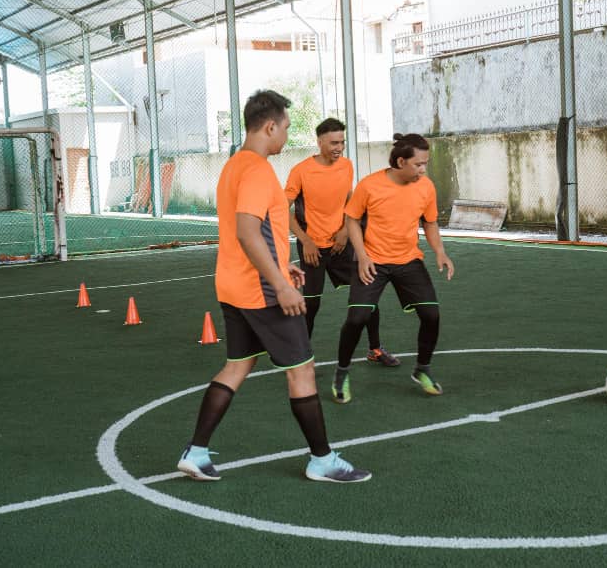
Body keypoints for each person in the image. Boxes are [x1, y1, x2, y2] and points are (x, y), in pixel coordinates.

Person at [177, 90, 370, 483]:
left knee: (237, 365)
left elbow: (252, 232)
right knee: (303, 371)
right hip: (260, 292)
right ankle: (322, 460)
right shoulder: (257, 171)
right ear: (269, 126)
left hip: (233, 286)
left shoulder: (234, 167)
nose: (285, 135)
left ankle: (195, 452)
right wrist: (279, 283)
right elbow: (248, 232)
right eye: (284, 128)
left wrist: (284, 266)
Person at [332, 133, 454, 403]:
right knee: (357, 319)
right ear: (401, 161)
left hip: (408, 260)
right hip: (373, 260)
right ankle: (341, 372)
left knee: (431, 315)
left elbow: (430, 222)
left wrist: (440, 252)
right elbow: (351, 219)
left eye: (426, 164)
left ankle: (422, 369)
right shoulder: (370, 185)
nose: (424, 170)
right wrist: (362, 256)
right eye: (418, 164)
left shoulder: (426, 187)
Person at [285, 118, 398, 366]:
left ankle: (375, 349)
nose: (339, 147)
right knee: (311, 305)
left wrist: (346, 231)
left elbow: (351, 201)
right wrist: (306, 241)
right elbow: (283, 209)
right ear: (320, 142)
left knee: (367, 293)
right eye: (334, 142)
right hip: (312, 248)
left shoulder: (346, 166)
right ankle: (300, 357)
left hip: (341, 244)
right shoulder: (301, 171)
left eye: (342, 142)